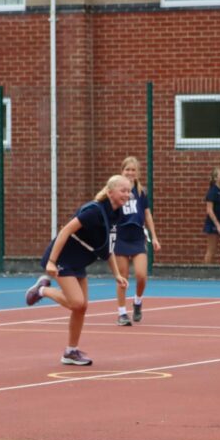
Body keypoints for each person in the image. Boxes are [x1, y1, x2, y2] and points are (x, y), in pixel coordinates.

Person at [25, 175, 131, 366]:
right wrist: (51, 262)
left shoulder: (117, 214)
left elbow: (108, 247)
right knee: (76, 302)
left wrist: (117, 274)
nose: (127, 194)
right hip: (64, 257)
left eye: (129, 191)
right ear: (110, 192)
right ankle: (42, 290)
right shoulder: (94, 211)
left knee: (81, 308)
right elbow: (65, 231)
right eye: (123, 190)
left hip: (80, 260)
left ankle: (70, 351)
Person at [114, 156, 160, 326]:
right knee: (123, 277)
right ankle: (121, 313)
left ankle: (137, 302)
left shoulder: (141, 192)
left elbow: (147, 214)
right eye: (127, 169)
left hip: (137, 236)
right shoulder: (115, 191)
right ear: (122, 171)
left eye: (133, 170)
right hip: (121, 236)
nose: (130, 172)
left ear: (137, 173)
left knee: (141, 275)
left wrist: (154, 237)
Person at [202, 167, 220, 264]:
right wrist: (218, 226)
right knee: (211, 250)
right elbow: (209, 210)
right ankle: (205, 271)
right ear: (216, 178)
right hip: (213, 224)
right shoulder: (212, 191)